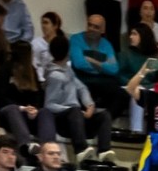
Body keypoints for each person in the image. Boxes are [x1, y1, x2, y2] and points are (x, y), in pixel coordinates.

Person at [35, 34, 112, 164]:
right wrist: (73, 110)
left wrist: (89, 104)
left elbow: (81, 87)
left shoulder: (68, 70)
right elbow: (49, 104)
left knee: (104, 115)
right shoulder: (54, 76)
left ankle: (104, 152)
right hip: (62, 121)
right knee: (75, 111)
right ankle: (80, 149)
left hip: (76, 118)